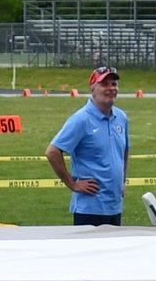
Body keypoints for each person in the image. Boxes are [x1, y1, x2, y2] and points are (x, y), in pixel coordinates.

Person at [45, 65, 129, 226]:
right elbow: (52, 151)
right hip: (90, 209)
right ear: (93, 89)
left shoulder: (121, 117)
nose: (111, 89)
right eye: (105, 84)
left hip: (114, 206)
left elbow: (124, 150)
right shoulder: (81, 119)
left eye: (114, 84)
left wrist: (122, 181)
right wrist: (73, 184)